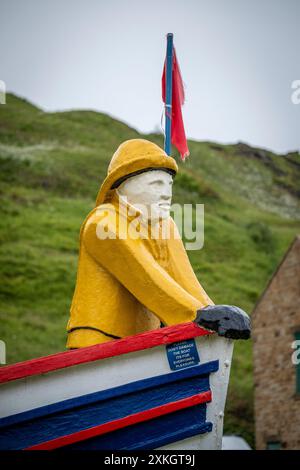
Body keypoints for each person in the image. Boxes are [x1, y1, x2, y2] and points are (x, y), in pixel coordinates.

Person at [66, 139, 250, 348]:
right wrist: (197, 316)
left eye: (169, 184)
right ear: (123, 185)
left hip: (146, 342)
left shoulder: (165, 225)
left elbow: (183, 277)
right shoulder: (103, 223)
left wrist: (213, 312)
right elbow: (146, 277)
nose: (166, 193)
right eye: (156, 184)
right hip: (100, 339)